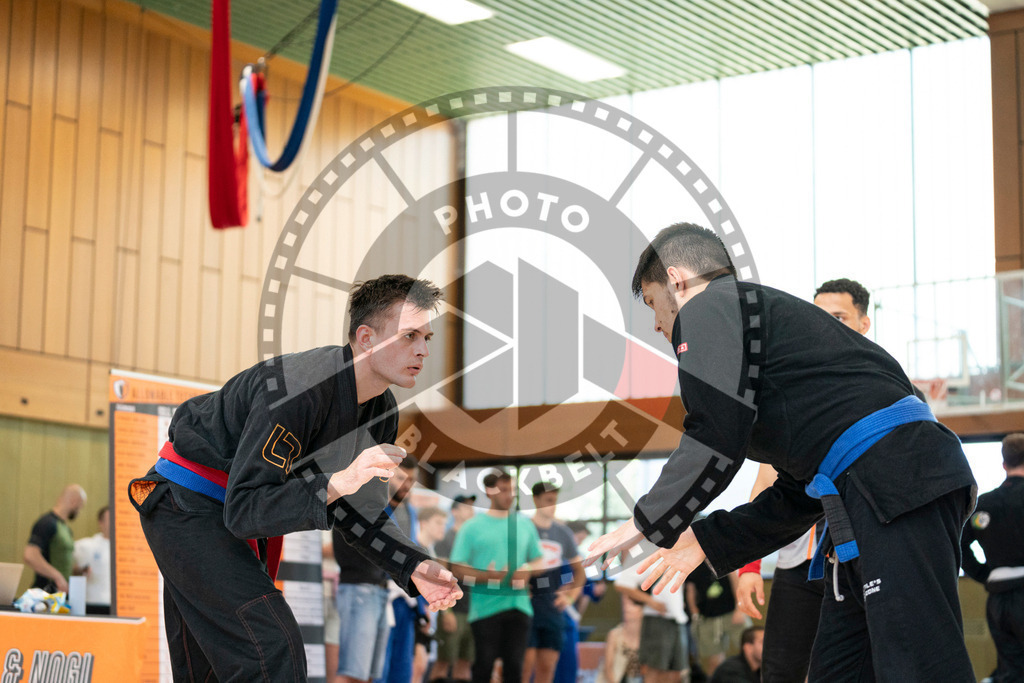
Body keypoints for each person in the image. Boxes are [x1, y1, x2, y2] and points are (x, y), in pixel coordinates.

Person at [586, 223, 977, 681]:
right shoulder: (775, 342)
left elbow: (714, 433)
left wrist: (648, 520)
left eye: (652, 303)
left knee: (919, 666)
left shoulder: (712, 305)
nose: (655, 324)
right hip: (868, 491)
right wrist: (707, 540)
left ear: (676, 279)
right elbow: (797, 493)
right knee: (838, 671)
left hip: (895, 482)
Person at [128, 274, 461, 682]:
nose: (424, 350)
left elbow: (363, 516)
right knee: (271, 648)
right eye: (410, 336)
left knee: (210, 672)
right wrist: (339, 482)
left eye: (427, 337)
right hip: (187, 502)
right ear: (366, 337)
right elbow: (246, 508)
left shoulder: (382, 412)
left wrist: (412, 565)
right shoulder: (299, 388)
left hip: (224, 511)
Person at [733, 278, 873, 682]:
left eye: (839, 317)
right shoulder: (793, 392)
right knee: (781, 672)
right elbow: (764, 481)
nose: (827, 326)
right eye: (819, 317)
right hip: (798, 563)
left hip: (861, 560)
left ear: (864, 323)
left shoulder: (888, 387)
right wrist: (750, 566)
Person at [450, 470, 544, 683]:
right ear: (489, 492)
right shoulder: (472, 527)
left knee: (514, 668)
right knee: (483, 666)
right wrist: (486, 576)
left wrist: (527, 569)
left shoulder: (525, 524)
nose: (509, 495)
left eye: (511, 489)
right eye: (503, 490)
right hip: (484, 608)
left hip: (519, 606)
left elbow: (540, 561)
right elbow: (457, 567)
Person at [961, 433, 1024, 682]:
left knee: (1011, 671)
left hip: (997, 600)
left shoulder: (984, 505)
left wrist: (985, 575)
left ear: (1004, 464)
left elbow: (960, 547)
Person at [523, 482, 585, 683]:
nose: (552, 506)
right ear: (536, 500)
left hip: (552, 607)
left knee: (547, 668)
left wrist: (570, 596)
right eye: (548, 501)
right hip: (525, 608)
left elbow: (580, 571)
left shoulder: (563, 533)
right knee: (524, 669)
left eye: (555, 501)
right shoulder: (523, 529)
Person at [379, 457, 425, 683]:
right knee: (380, 666)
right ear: (388, 475)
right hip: (379, 592)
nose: (405, 485)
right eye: (400, 478)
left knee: (402, 665)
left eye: (411, 481)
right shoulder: (373, 507)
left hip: (405, 597)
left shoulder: (410, 512)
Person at [615, 561, 689, 683]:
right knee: (655, 670)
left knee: (676, 673)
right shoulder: (646, 550)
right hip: (657, 621)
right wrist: (651, 602)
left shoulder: (677, 550)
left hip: (678, 618)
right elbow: (622, 584)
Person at [431, 495, 477, 682]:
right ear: (454, 511)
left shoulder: (474, 541)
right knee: (444, 661)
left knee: (465, 661)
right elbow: (439, 577)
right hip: (454, 609)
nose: (471, 511)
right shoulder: (446, 539)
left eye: (472, 507)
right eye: (466, 507)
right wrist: (446, 612)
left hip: (474, 610)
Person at [25, 484, 87, 594]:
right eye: (80, 507)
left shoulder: (66, 529)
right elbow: (30, 555)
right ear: (74, 501)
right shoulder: (47, 523)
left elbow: (61, 562)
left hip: (60, 594)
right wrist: (57, 576)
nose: (79, 512)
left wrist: (78, 570)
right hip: (46, 592)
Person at [686, 561, 745, 675]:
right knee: (714, 661)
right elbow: (690, 590)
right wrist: (695, 614)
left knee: (749, 651)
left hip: (731, 613)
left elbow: (736, 582)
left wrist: (739, 608)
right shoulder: (693, 563)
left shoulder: (722, 556)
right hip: (708, 617)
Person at [596, 593, 643, 683]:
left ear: (642, 609)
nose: (626, 607)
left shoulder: (648, 636)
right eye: (624, 603)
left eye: (632, 604)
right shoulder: (614, 634)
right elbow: (608, 668)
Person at [73, 504, 111, 614]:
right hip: (93, 605)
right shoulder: (87, 545)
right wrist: (80, 571)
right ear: (101, 523)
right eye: (109, 519)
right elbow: (67, 565)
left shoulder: (124, 547)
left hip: (118, 606)